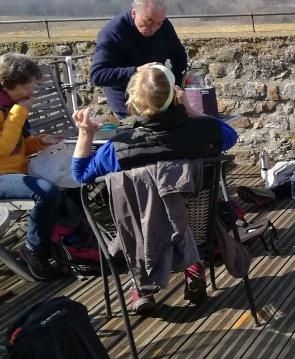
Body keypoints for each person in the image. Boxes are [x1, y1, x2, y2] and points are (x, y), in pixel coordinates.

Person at [72, 63, 237, 311]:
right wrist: (191, 110)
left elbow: (81, 174)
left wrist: (85, 133)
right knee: (182, 202)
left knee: (129, 212)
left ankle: (142, 285)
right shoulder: (204, 132)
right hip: (194, 221)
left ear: (134, 102)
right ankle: (193, 265)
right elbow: (230, 136)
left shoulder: (119, 147)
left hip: (141, 231)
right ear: (174, 95)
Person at [0, 54, 66, 279]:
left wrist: (40, 141)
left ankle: (68, 247)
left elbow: (17, 146)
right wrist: (19, 113)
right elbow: (2, 149)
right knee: (46, 192)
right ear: (9, 83)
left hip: (15, 170)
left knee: (68, 179)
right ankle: (34, 251)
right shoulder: (10, 109)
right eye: (27, 86)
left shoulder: (9, 105)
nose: (32, 92)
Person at [91, 0, 187, 118]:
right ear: (134, 13)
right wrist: (137, 71)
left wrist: (175, 85)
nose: (154, 28)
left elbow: (179, 56)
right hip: (127, 100)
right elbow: (98, 75)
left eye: (159, 23)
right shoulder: (113, 33)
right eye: (149, 21)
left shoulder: (164, 26)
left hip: (158, 94)